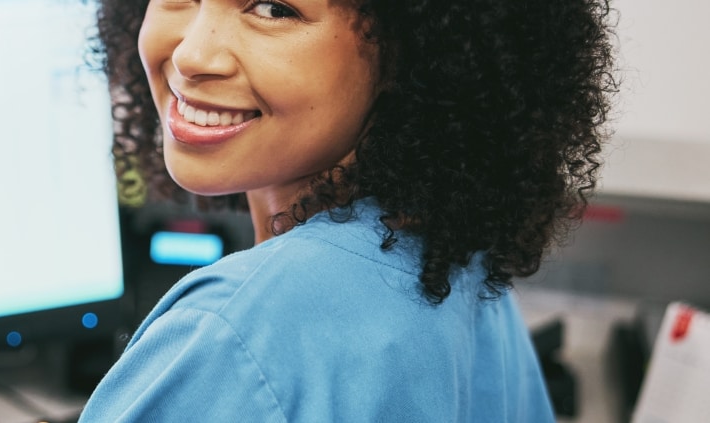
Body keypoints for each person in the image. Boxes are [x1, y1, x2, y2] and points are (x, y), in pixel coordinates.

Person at [82, 0, 616, 421]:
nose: (192, 55)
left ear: (408, 52)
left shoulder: (231, 331)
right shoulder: (457, 266)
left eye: (273, 8)